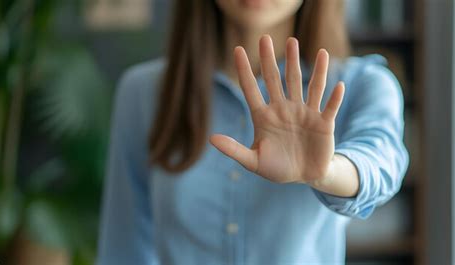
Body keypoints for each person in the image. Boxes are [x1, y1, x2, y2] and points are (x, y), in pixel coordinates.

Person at [97, 0, 409, 264]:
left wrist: (326, 171)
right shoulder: (143, 92)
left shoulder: (362, 85)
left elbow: (381, 163)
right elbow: (124, 247)